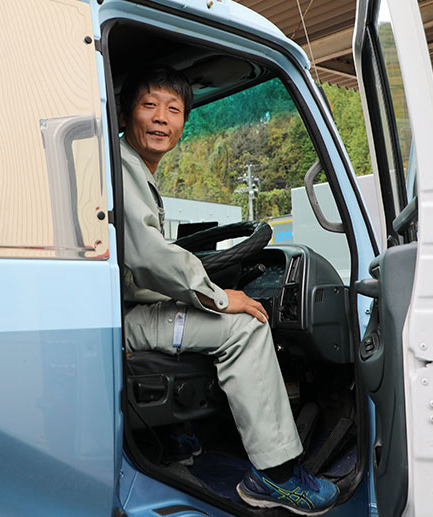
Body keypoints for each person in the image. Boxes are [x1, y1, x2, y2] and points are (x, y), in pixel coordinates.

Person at [119, 64, 339, 515]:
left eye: (173, 109)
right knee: (245, 326)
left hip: (123, 308)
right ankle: (275, 476)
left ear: (183, 122)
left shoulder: (132, 169)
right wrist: (220, 297)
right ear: (125, 116)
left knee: (218, 313)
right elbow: (149, 256)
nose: (161, 118)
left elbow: (151, 261)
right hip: (123, 320)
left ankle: (176, 437)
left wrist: (200, 288)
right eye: (148, 105)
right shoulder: (121, 168)